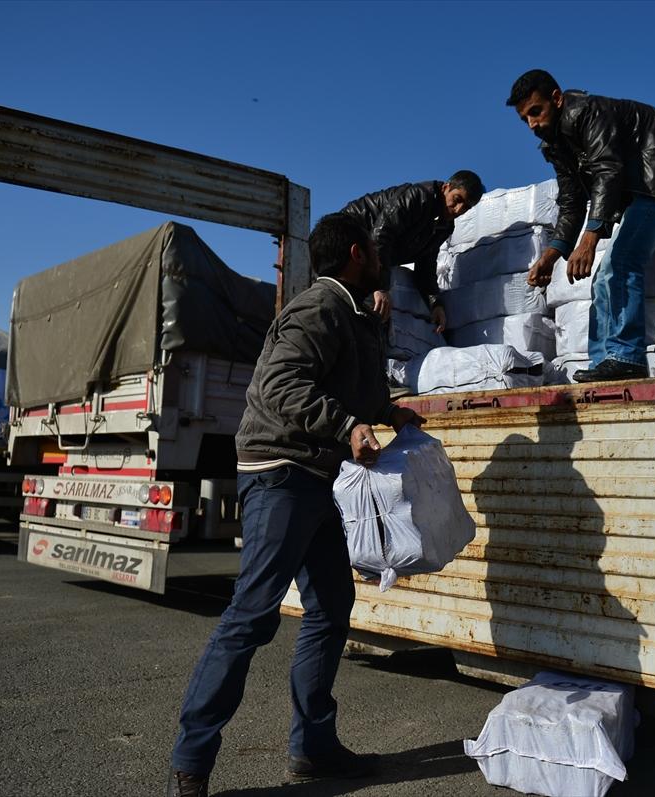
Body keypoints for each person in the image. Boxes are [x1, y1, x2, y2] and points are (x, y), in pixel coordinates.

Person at [167, 213, 425, 797]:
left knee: (332, 604)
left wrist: (387, 413)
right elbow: (282, 384)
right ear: (358, 253)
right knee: (252, 616)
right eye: (377, 254)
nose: (383, 263)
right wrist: (347, 424)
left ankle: (313, 747)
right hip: (281, 474)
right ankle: (191, 761)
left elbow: (344, 384)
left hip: (314, 476)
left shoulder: (350, 312)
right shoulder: (319, 308)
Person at [510, 69, 655, 382]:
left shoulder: (589, 113)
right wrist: (552, 254)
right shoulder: (555, 144)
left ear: (557, 99)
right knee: (603, 278)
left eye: (536, 112)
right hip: (641, 191)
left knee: (622, 263)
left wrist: (589, 240)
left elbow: (608, 171)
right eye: (525, 119)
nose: (532, 124)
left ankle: (626, 358)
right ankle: (606, 363)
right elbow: (572, 201)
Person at [340, 170, 485, 332]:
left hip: (369, 252)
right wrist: (380, 287)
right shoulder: (419, 197)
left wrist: (435, 304)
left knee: (379, 318)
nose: (458, 210)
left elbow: (426, 266)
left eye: (465, 207)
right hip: (348, 235)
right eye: (457, 200)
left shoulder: (443, 227)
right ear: (446, 188)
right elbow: (381, 235)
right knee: (372, 310)